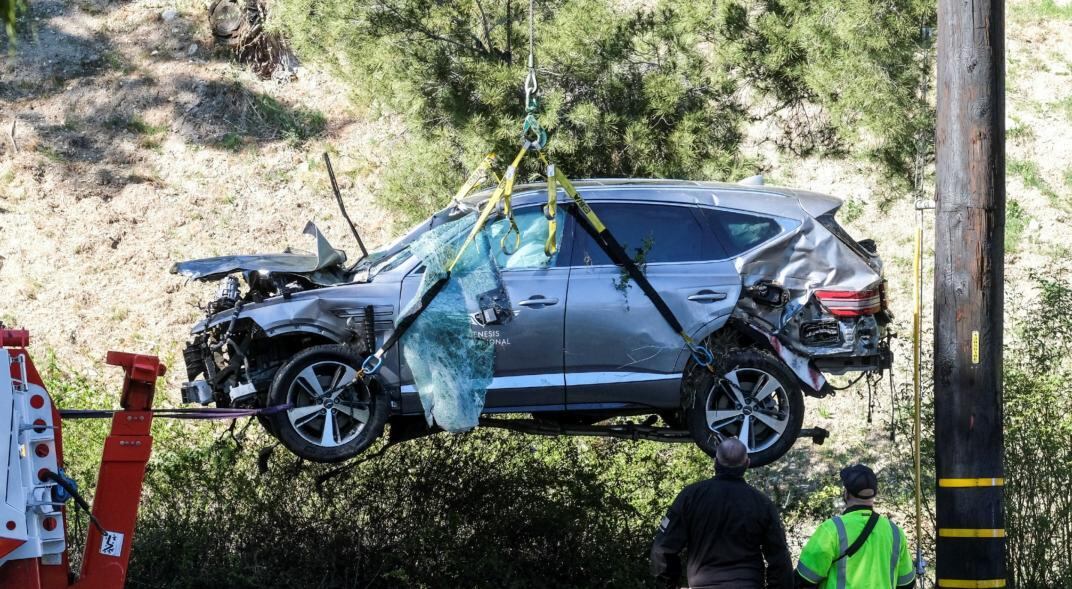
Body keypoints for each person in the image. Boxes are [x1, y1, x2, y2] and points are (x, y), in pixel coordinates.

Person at [650, 438, 793, 589]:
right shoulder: (762, 503)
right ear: (747, 464)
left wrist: (669, 584)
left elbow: (662, 549)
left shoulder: (690, 497)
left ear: (715, 462)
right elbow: (779, 558)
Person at [795, 464, 916, 589]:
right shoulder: (895, 532)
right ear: (874, 494)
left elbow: (804, 578)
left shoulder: (831, 529)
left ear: (846, 493)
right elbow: (906, 582)